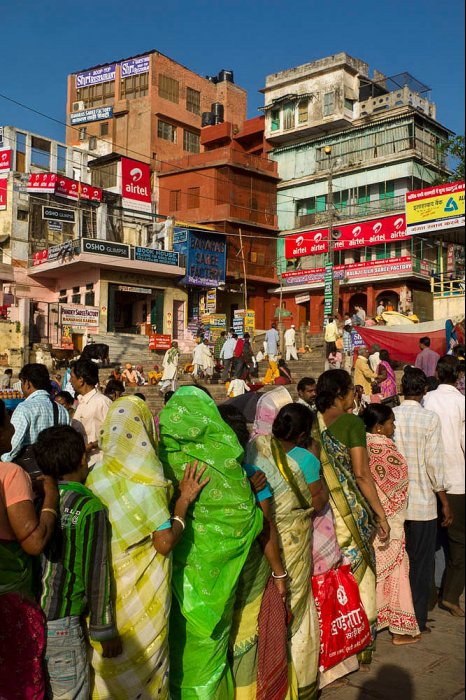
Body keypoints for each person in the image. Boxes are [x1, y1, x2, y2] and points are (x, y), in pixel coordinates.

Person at [86, 396, 209, 698]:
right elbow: (164, 542)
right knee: (146, 674)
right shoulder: (149, 478)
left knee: (107, 676)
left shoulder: (95, 475)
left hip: (104, 596)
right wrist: (183, 501)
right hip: (142, 599)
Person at [158, 386, 263, 699]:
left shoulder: (160, 462)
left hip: (179, 574)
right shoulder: (228, 464)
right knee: (208, 654)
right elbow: (248, 517)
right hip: (216, 579)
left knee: (180, 650)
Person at [246, 396, 327, 697]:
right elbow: (317, 502)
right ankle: (299, 678)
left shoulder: (256, 447)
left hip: (262, 534)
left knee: (265, 604)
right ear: (304, 434)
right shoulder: (306, 459)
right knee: (295, 604)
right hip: (291, 538)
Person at [35, 425, 122, 699]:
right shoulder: (89, 507)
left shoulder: (36, 499)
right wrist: (103, 630)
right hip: (64, 624)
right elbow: (97, 572)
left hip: (32, 619)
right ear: (83, 460)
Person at [312, 370, 390, 668]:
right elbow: (361, 474)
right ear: (343, 392)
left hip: (321, 514)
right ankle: (361, 645)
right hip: (350, 515)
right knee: (361, 576)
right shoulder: (352, 423)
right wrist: (380, 514)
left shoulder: (311, 422)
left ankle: (331, 643)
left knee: (330, 577)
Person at [0, 398, 58, 700]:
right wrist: (50, 498)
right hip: (9, 604)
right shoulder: (10, 473)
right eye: (7, 422)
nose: (12, 428)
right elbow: (34, 541)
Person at [393, 368, 452, 634]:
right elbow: (434, 465)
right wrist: (445, 502)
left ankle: (395, 616)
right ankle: (416, 620)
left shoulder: (389, 416)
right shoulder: (429, 419)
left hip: (394, 504)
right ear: (424, 391)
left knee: (396, 564)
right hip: (422, 505)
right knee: (420, 565)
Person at [362, 404, 420, 644]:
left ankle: (372, 623)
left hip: (371, 519)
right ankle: (400, 629)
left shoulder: (359, 446)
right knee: (396, 570)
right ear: (379, 427)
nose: (393, 427)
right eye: (391, 423)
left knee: (374, 573)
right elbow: (398, 483)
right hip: (389, 520)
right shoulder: (385, 448)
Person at [423, 356, 465, 617]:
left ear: (438, 374)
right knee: (459, 543)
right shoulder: (462, 402)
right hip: (455, 480)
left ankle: (429, 592)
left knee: (430, 540)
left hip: (430, 479)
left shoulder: (428, 399)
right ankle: (450, 596)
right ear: (458, 376)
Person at [1, 363, 69, 463]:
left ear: (27, 384)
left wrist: (4, 463)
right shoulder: (62, 410)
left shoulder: (24, 408)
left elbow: (13, 445)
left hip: (30, 471)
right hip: (55, 468)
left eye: (22, 383)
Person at [71, 358, 111, 469]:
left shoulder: (102, 402)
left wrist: (92, 445)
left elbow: (114, 435)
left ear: (81, 380)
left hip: (99, 463)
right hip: (83, 464)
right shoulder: (81, 402)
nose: (70, 381)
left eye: (72, 377)